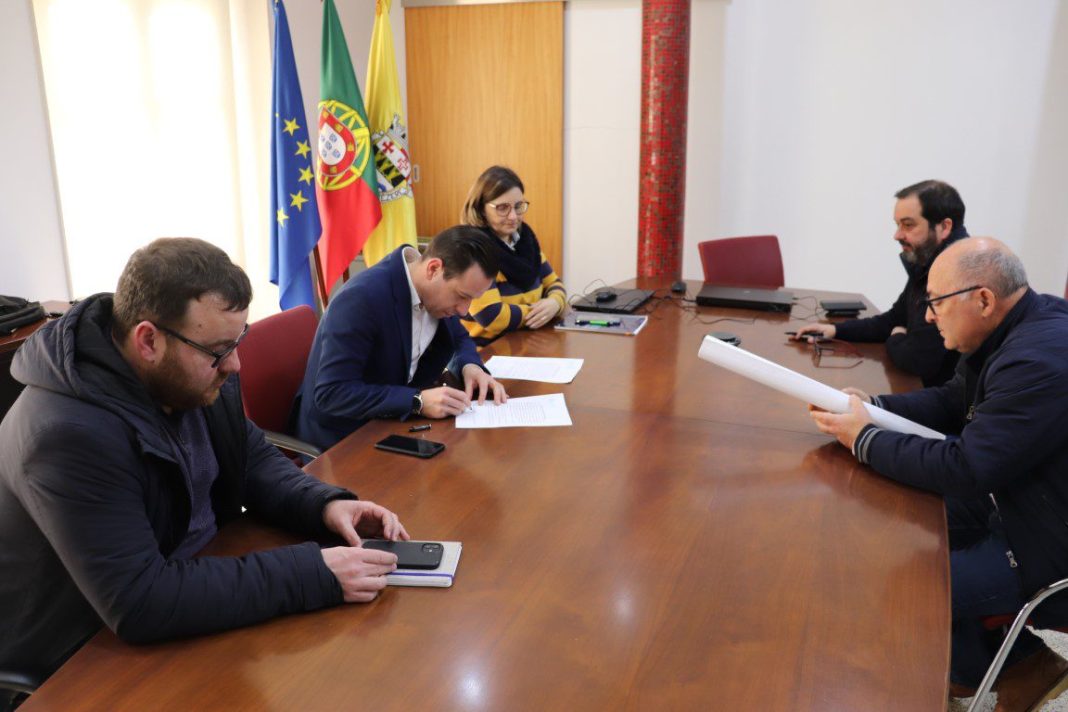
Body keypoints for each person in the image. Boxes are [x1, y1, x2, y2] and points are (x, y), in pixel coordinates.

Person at [0, 238, 409, 686]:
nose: (234, 364)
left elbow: (250, 457)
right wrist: (315, 572)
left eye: (238, 342)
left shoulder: (195, 373)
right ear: (148, 340)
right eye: (218, 350)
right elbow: (140, 601)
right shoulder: (66, 434)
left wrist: (325, 505)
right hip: (83, 654)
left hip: (196, 590)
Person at [809, 238, 1068, 711]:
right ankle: (1018, 666)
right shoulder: (1008, 330)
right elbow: (952, 402)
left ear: (983, 299)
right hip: (1016, 503)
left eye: (936, 303)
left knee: (907, 589)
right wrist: (873, 408)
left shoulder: (1039, 358)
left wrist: (863, 439)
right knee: (894, 527)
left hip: (1050, 546)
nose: (928, 316)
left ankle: (997, 667)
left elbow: (969, 467)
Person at [295, 225, 508, 451]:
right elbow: (332, 394)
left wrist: (470, 367)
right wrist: (417, 401)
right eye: (462, 296)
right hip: (341, 439)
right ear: (434, 269)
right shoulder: (361, 300)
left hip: (392, 425)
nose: (465, 311)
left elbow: (459, 337)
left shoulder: (436, 294)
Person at [793, 180, 969, 386]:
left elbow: (918, 359)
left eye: (908, 224)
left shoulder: (956, 273)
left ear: (944, 227)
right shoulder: (928, 261)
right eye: (898, 225)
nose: (897, 235)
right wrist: (836, 330)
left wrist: (896, 337)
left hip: (942, 408)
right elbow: (894, 319)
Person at [458, 165, 567, 345]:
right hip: (487, 352)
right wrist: (539, 312)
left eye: (518, 206)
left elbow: (554, 283)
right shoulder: (473, 249)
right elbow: (491, 315)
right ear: (481, 208)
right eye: (502, 208)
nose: (513, 216)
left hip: (529, 340)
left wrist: (554, 304)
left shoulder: (526, 241)